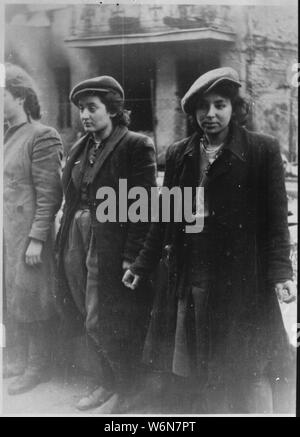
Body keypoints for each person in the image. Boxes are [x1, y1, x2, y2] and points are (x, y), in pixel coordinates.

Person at [122, 67, 296, 414]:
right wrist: (141, 264)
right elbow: (165, 217)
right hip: (195, 275)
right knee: (203, 364)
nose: (211, 114)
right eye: (203, 107)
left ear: (235, 108)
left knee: (250, 367)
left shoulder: (262, 151)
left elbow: (276, 221)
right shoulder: (179, 154)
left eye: (220, 104)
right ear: (193, 112)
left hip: (245, 277)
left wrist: (281, 275)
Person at [56, 76, 156, 412]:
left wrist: (131, 256)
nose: (85, 115)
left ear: (112, 110)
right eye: (82, 109)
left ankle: (126, 388)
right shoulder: (80, 148)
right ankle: (107, 382)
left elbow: (143, 206)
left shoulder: (135, 145)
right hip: (77, 236)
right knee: (86, 312)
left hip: (110, 242)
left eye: (92, 108)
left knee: (105, 317)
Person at [3, 63, 63, 394]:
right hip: (7, 234)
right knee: (12, 295)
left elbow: (49, 193)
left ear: (21, 98)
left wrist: (37, 238)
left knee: (34, 298)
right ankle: (18, 359)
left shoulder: (42, 136)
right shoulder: (5, 136)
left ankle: (37, 366)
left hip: (28, 235)